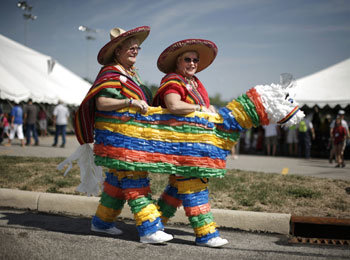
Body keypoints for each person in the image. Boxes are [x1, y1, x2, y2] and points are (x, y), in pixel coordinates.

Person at [74, 26, 173, 244]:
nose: (135, 50)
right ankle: (149, 229)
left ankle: (101, 222)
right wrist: (129, 102)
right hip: (120, 140)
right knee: (134, 179)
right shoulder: (110, 73)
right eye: (130, 47)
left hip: (131, 139)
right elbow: (101, 103)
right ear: (117, 51)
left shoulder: (131, 74)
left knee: (117, 180)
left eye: (137, 47)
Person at [152, 39, 228, 247]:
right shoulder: (172, 79)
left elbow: (202, 105)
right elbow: (173, 105)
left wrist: (208, 109)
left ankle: (153, 224)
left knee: (177, 187)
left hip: (194, 144)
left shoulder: (195, 83)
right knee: (193, 185)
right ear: (178, 62)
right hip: (180, 145)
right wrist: (200, 109)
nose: (192, 63)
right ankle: (206, 235)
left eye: (195, 60)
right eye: (188, 59)